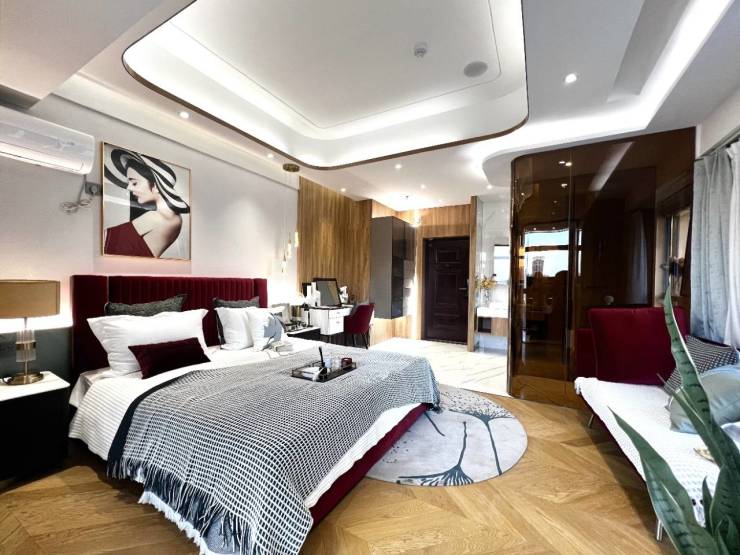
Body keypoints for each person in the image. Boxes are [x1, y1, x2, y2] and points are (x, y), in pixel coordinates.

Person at [103, 149, 189, 258]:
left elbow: (107, 240)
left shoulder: (159, 217)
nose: (129, 188)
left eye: (134, 183)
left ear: (155, 186)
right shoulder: (175, 218)